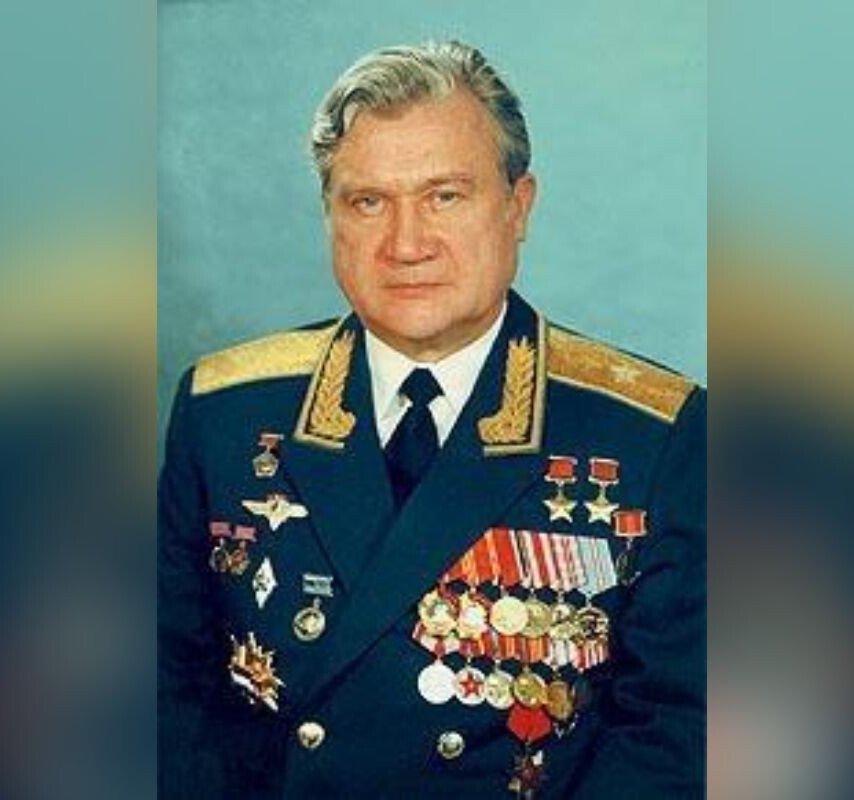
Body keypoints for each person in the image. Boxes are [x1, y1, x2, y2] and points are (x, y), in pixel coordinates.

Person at [159, 40, 705, 799]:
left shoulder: (653, 435)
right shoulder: (223, 413)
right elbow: (163, 696)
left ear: (519, 206)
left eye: (445, 196)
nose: (406, 244)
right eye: (367, 202)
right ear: (329, 217)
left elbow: (676, 730)